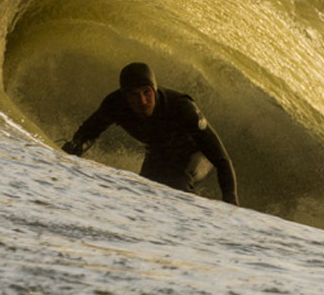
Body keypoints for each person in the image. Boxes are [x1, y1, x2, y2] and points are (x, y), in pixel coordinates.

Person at [62, 62, 239, 205]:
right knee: (142, 196)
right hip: (159, 153)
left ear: (154, 90)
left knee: (176, 187)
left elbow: (221, 159)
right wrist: (78, 147)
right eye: (135, 95)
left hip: (196, 156)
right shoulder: (115, 104)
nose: (143, 101)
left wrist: (231, 201)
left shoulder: (181, 107)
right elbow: (89, 132)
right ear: (125, 97)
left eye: (147, 93)